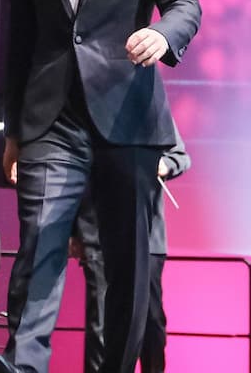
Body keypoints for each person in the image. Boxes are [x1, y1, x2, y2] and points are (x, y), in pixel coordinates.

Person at [0, 0, 202, 373]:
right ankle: (24, 363)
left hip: (126, 115)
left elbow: (185, 3)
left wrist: (161, 34)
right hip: (50, 118)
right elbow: (20, 38)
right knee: (40, 240)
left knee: (126, 262)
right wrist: (13, 130)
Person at [75, 132, 188, 373]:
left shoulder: (152, 107)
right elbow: (79, 171)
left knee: (151, 320)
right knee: (101, 322)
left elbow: (180, 156)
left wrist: (164, 165)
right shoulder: (93, 109)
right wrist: (76, 231)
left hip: (148, 235)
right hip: (98, 234)